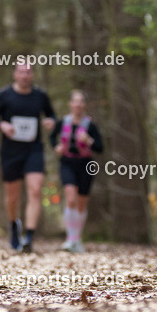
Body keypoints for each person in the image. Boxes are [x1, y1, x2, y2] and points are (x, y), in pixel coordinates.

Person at [0, 60, 56, 253]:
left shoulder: (40, 96)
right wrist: (2, 125)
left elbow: (51, 115)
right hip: (10, 151)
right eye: (21, 72)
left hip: (34, 149)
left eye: (28, 72)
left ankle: (30, 236)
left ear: (32, 75)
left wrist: (51, 122)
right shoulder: (4, 95)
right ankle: (14, 225)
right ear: (15, 74)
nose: (25, 75)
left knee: (35, 190)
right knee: (13, 195)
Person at [53, 89, 104, 253]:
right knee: (71, 199)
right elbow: (52, 138)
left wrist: (89, 140)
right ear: (70, 104)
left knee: (82, 203)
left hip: (86, 165)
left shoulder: (90, 125)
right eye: (75, 101)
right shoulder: (63, 122)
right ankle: (70, 239)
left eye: (81, 101)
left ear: (84, 105)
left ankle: (77, 239)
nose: (78, 105)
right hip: (67, 162)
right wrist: (57, 147)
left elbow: (100, 147)